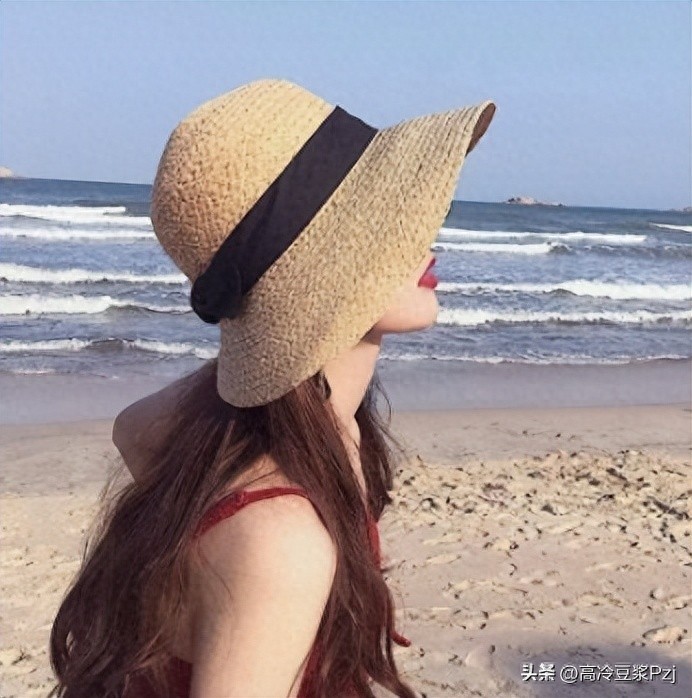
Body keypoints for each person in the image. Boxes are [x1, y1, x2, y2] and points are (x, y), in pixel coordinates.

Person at [49, 78, 495, 698]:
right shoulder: (282, 541)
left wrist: (284, 336)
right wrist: (281, 328)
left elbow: (134, 426)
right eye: (383, 220)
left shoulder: (316, 429)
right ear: (316, 269)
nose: (427, 236)